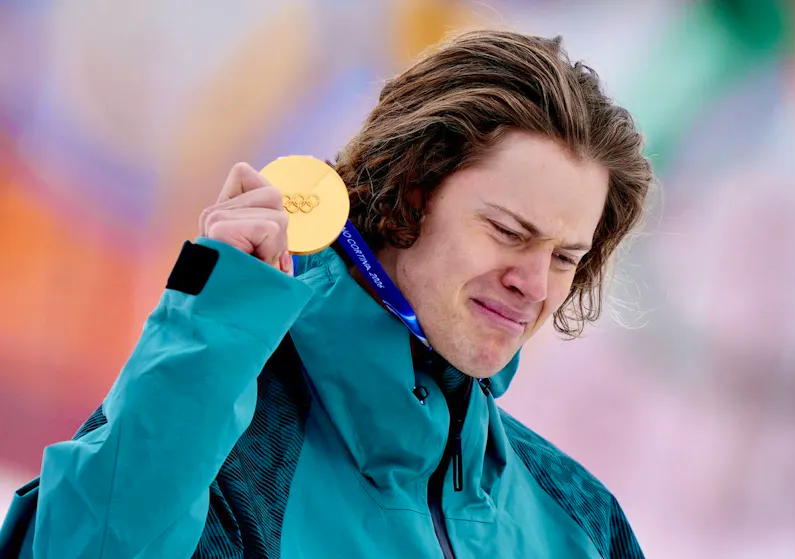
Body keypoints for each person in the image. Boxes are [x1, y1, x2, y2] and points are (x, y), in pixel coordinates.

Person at [0, 29, 653, 558]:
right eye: (508, 232)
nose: (534, 285)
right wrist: (211, 330)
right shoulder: (225, 458)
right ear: (412, 193)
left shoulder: (583, 520)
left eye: (564, 258)